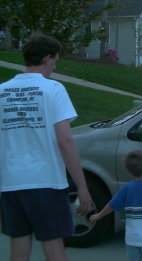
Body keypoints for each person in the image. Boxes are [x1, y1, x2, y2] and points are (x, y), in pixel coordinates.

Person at [0, 33, 92, 261]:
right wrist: (81, 185)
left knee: (19, 244)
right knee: (53, 245)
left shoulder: (2, 91)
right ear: (47, 58)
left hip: (11, 183)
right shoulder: (53, 89)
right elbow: (65, 140)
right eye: (55, 61)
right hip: (46, 183)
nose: (54, 66)